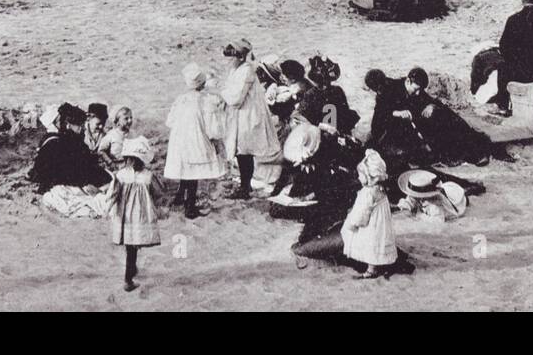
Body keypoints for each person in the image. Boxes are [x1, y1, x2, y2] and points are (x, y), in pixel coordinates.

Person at [292, 149, 398, 278]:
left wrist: (351, 224)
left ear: (370, 176)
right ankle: (374, 267)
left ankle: (370, 270)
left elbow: (361, 215)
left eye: (361, 175)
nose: (359, 178)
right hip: (379, 228)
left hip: (368, 228)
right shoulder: (380, 190)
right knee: (376, 247)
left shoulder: (368, 193)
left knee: (361, 244)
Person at [218, 40, 280, 200]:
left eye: (230, 58)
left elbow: (237, 98)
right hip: (240, 115)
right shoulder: (236, 70)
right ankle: (245, 185)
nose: (228, 61)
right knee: (242, 152)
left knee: (244, 151)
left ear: (239, 57)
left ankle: (245, 187)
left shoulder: (246, 72)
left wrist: (221, 92)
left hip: (247, 116)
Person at [164, 65, 226, 219]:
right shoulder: (205, 101)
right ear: (203, 84)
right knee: (193, 173)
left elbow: (170, 121)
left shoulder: (181, 99)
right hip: (195, 139)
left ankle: (180, 195)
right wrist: (215, 139)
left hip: (180, 140)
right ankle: (189, 206)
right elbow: (212, 128)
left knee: (185, 168)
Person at [110, 136, 164, 292]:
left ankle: (130, 272)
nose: (131, 163)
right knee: (132, 246)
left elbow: (112, 194)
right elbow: (158, 193)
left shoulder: (133, 175)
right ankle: (128, 278)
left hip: (132, 216)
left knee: (131, 245)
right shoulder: (136, 176)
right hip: (133, 216)